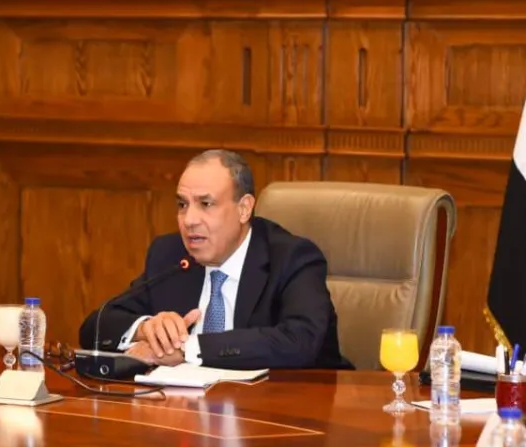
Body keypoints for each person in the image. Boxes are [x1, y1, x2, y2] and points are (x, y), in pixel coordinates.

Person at [78, 149, 348, 371]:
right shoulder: (170, 254)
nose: (189, 220)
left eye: (205, 204)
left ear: (244, 209)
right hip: (188, 411)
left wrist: (188, 348)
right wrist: (147, 329)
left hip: (291, 408)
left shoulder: (292, 258)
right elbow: (95, 327)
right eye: (182, 205)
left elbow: (300, 340)